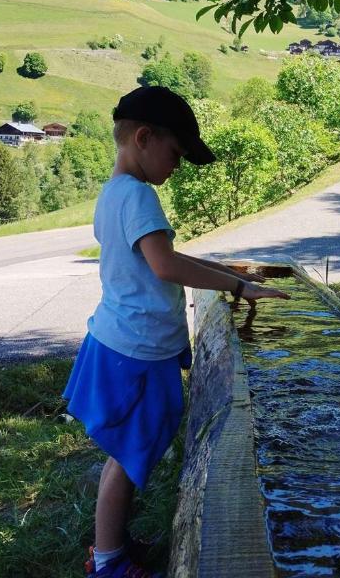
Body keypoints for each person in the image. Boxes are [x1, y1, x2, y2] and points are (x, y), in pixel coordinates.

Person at [63, 86, 289, 578]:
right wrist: (236, 286)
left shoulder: (113, 193)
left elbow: (161, 259)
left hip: (119, 342)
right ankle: (107, 563)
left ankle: (111, 542)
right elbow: (164, 265)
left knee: (123, 455)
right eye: (176, 153)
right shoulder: (139, 195)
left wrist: (227, 272)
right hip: (137, 352)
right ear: (144, 137)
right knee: (126, 459)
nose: (178, 166)